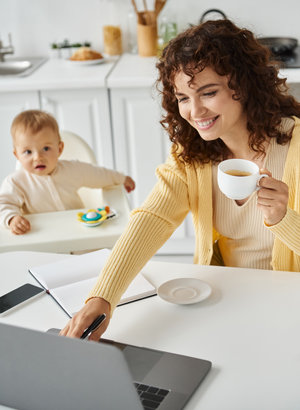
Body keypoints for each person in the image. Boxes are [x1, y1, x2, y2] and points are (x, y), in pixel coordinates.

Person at [61, 19, 300, 341]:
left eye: (208, 92)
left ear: (243, 86)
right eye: (183, 98)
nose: (195, 110)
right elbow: (153, 218)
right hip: (230, 299)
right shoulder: (193, 154)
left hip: (289, 303)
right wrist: (102, 298)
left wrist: (283, 218)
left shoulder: (295, 146)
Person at [0, 110, 135, 234]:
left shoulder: (72, 170)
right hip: (43, 238)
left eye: (46, 148)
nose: (38, 157)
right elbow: (4, 204)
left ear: (59, 149)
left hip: (78, 235)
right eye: (28, 152)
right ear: (17, 154)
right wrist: (12, 219)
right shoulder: (15, 182)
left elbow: (97, 175)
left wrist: (121, 178)